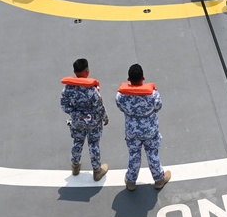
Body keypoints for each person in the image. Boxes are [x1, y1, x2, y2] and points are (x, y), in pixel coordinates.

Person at [116, 63, 171, 191]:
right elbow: (158, 107)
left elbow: (120, 107)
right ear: (143, 79)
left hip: (132, 131)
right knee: (152, 153)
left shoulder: (121, 96)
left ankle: (131, 181)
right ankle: (159, 180)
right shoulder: (152, 94)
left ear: (129, 79)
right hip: (150, 130)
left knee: (134, 154)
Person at [60, 58, 109, 181]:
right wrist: (105, 117)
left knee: (77, 142)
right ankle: (97, 171)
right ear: (87, 71)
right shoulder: (92, 91)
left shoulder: (67, 89)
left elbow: (64, 106)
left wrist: (77, 114)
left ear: (74, 71)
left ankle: (75, 166)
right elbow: (99, 107)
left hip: (77, 122)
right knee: (93, 144)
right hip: (93, 122)